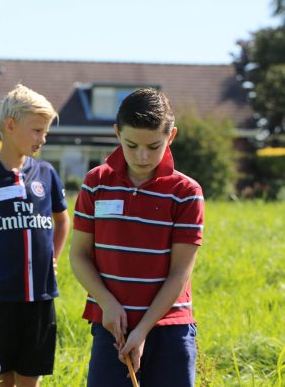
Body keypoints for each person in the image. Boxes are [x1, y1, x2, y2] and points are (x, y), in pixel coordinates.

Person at [69, 88, 204, 386]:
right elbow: (78, 255)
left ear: (171, 137)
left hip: (169, 326)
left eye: (153, 146)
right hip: (111, 323)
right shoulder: (95, 183)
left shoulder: (186, 192)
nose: (142, 156)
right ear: (117, 132)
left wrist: (143, 329)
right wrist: (107, 303)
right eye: (131, 145)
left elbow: (180, 271)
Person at [0, 84, 70, 387]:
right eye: (37, 130)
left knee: (30, 375)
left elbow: (62, 221)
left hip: (39, 297)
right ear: (10, 126)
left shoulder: (46, 174)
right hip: (0, 298)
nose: (43, 139)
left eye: (45, 132)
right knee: (2, 376)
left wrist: (53, 257)